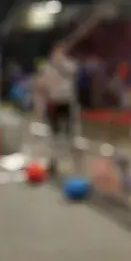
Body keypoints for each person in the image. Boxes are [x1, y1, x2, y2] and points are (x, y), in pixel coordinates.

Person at [35, 43, 78, 173]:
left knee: (70, 132)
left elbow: (72, 71)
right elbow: (41, 85)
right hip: (53, 102)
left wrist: (60, 63)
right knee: (53, 134)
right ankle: (53, 161)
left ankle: (72, 159)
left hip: (66, 102)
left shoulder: (69, 65)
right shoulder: (46, 67)